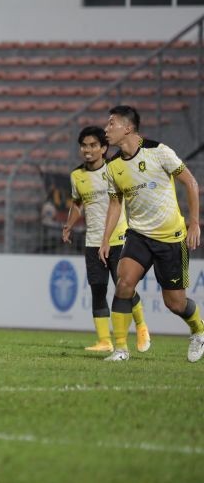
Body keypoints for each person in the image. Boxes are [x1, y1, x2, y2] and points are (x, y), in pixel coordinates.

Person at [99, 105, 202, 362]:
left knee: (175, 304)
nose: (106, 129)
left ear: (128, 128)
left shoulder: (159, 151)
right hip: (139, 236)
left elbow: (190, 182)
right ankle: (121, 350)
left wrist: (194, 223)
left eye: (111, 123)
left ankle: (199, 330)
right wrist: (105, 240)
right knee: (123, 284)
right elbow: (115, 204)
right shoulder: (112, 167)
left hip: (171, 239)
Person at [62, 126, 150, 354]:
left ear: (103, 148)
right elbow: (77, 204)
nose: (87, 150)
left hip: (118, 239)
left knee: (124, 287)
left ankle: (141, 327)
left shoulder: (116, 169)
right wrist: (69, 226)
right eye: (84, 145)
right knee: (98, 290)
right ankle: (104, 340)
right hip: (92, 241)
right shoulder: (77, 176)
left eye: (93, 145)